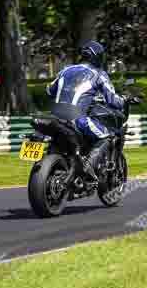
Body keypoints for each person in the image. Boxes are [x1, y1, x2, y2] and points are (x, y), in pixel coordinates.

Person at [46, 40, 124, 183]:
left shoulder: (65, 70)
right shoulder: (99, 74)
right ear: (97, 57)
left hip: (54, 116)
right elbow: (113, 100)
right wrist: (124, 100)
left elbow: (49, 91)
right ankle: (88, 167)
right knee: (108, 136)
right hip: (76, 118)